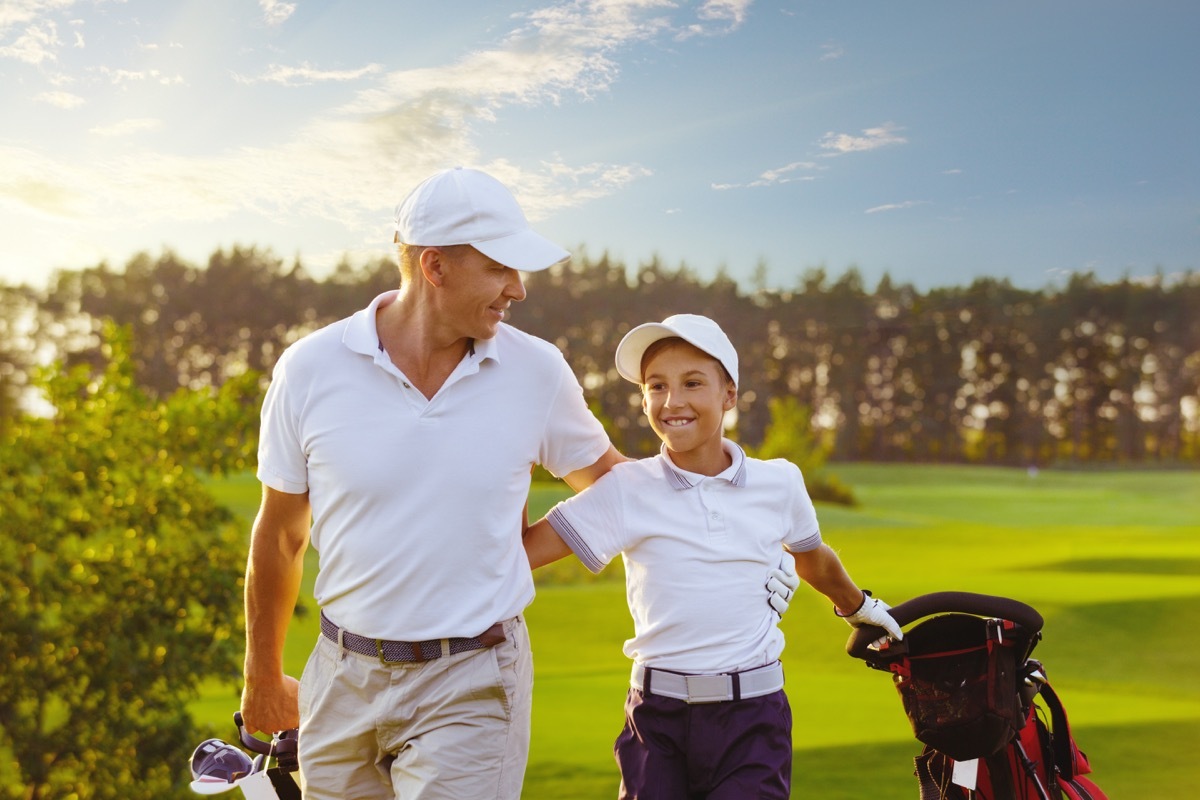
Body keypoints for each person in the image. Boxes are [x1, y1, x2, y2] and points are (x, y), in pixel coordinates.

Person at [239, 166, 627, 800]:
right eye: (501, 268)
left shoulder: (536, 370)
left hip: (473, 678)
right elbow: (280, 535)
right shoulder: (309, 368)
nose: (519, 290)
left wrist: (524, 551)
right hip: (340, 677)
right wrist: (260, 676)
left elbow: (615, 484)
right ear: (435, 266)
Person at [522, 313, 903, 800]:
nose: (672, 401)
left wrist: (861, 608)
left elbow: (812, 558)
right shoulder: (626, 488)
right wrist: (510, 462)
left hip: (752, 717)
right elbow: (523, 553)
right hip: (655, 719)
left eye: (693, 383)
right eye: (656, 386)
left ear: (729, 395)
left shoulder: (780, 480)